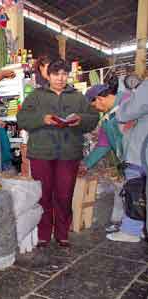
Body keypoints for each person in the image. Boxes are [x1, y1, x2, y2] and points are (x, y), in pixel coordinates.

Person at [17, 59, 99, 247]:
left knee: (64, 194)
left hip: (69, 153)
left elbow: (93, 118)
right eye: (56, 74)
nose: (60, 78)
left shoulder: (78, 97)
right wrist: (42, 118)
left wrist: (80, 119)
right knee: (43, 194)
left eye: (64, 74)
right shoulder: (36, 96)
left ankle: (62, 233)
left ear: (68, 75)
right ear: (49, 75)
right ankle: (44, 233)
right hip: (41, 153)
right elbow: (22, 119)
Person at [81, 77, 129, 233]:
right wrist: (86, 165)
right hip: (128, 162)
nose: (96, 109)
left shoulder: (129, 103)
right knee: (128, 191)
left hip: (141, 157)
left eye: (94, 105)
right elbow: (103, 145)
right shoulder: (107, 118)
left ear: (100, 99)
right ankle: (126, 224)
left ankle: (133, 228)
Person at [105, 78, 148, 243]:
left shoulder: (125, 101)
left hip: (142, 150)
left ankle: (132, 230)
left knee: (135, 187)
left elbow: (132, 110)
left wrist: (120, 112)